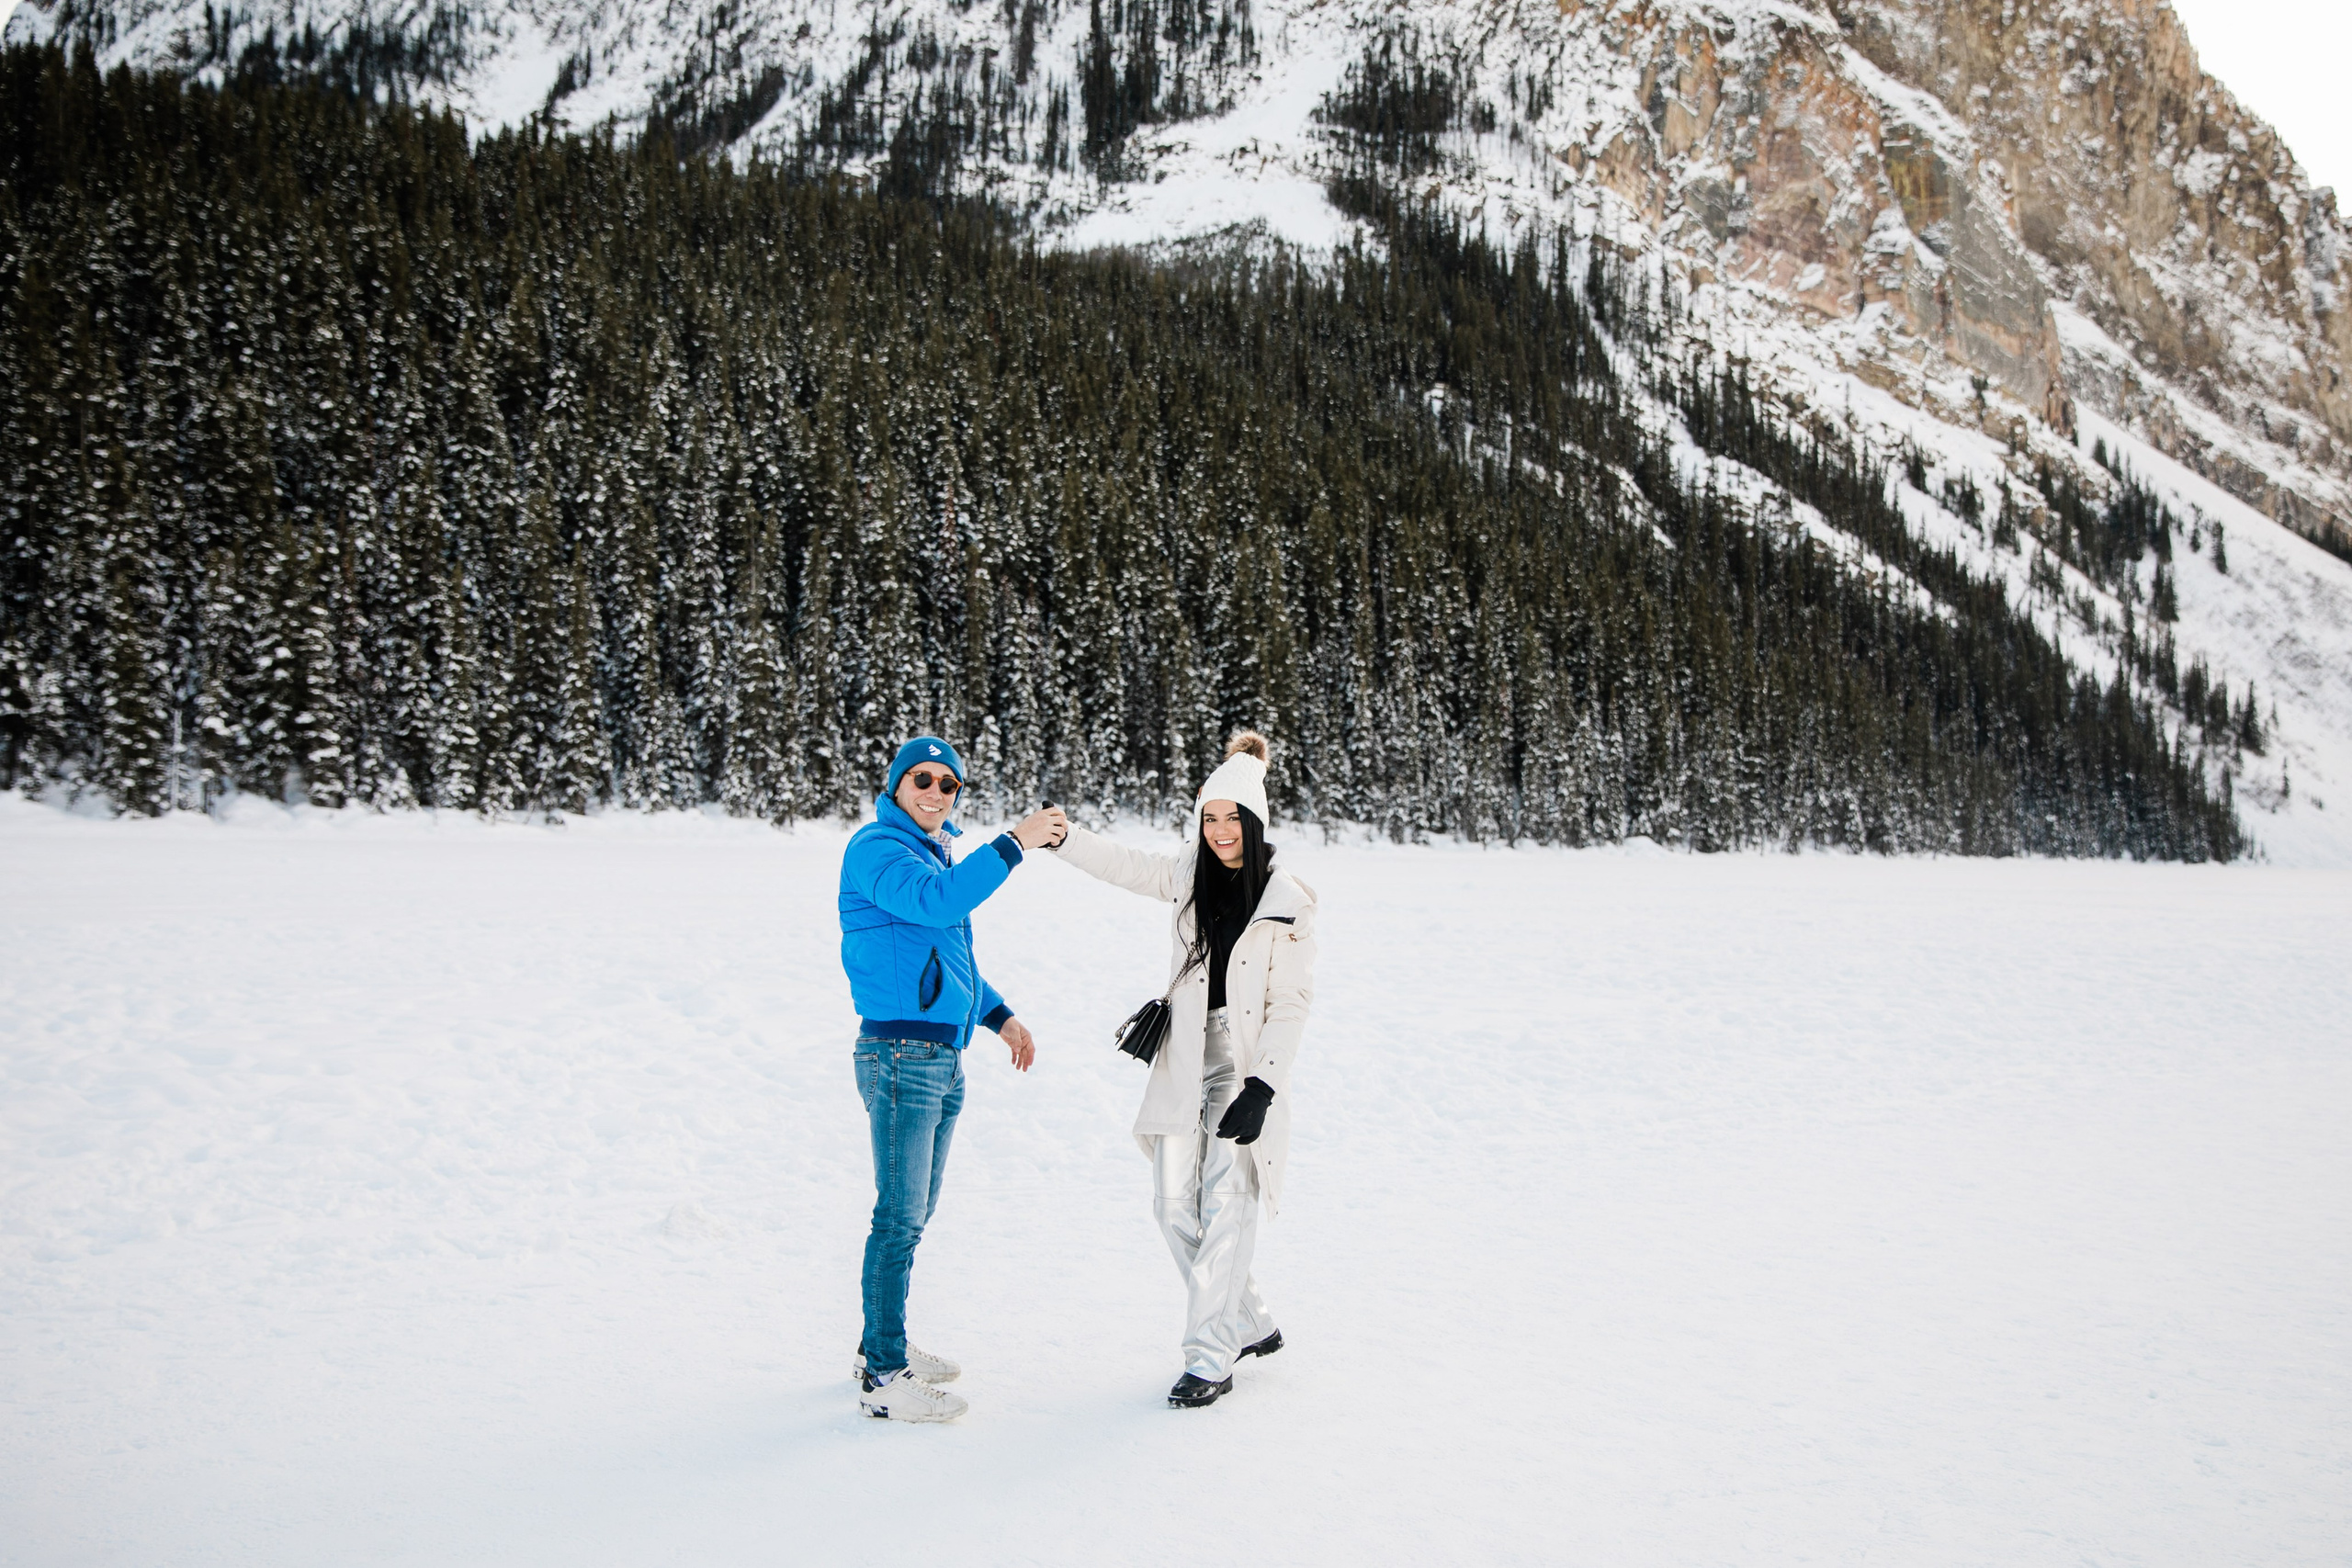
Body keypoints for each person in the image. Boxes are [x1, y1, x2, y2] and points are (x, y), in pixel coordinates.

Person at [1046, 731, 1318, 1408]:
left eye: (1233, 818)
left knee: (1227, 1202)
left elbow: (1291, 1002)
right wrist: (1066, 838)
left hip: (1242, 1063)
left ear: (1255, 824)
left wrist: (1262, 1085)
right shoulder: (1188, 875)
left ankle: (1209, 1357)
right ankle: (1248, 1317)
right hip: (1184, 1056)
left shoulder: (1288, 901)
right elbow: (1125, 864)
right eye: (1210, 817)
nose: (1221, 830)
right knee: (1171, 1205)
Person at [839, 735, 1067, 1423]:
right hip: (900, 1056)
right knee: (898, 1216)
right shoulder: (878, 849)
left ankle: (883, 1342)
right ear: (897, 783)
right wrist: (1014, 843)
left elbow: (950, 949)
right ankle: (883, 1374)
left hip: (939, 1056)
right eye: (924, 779)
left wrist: (1000, 1017)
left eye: (949, 785)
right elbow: (939, 904)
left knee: (916, 1213)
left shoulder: (929, 853)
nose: (937, 793)